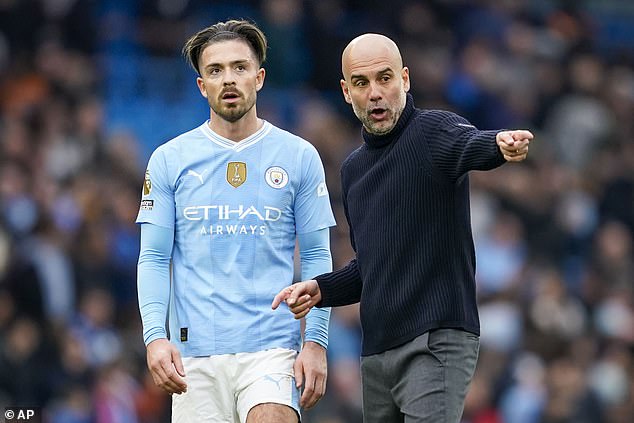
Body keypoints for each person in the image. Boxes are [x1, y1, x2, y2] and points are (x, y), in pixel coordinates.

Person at [272, 33, 534, 422]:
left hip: (435, 340)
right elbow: (369, 267)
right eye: (361, 83)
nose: (375, 92)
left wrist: (499, 144)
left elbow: (470, 144)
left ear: (405, 80)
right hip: (376, 355)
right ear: (346, 92)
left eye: (385, 78)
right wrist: (322, 288)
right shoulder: (353, 170)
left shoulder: (433, 132)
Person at [136, 19, 336, 423]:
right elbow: (154, 259)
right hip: (194, 355)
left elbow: (316, 254)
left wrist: (314, 342)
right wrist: (155, 338)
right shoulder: (169, 160)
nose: (229, 79)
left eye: (240, 67)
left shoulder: (298, 156)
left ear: (259, 78)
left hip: (271, 347)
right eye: (215, 70)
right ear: (201, 85)